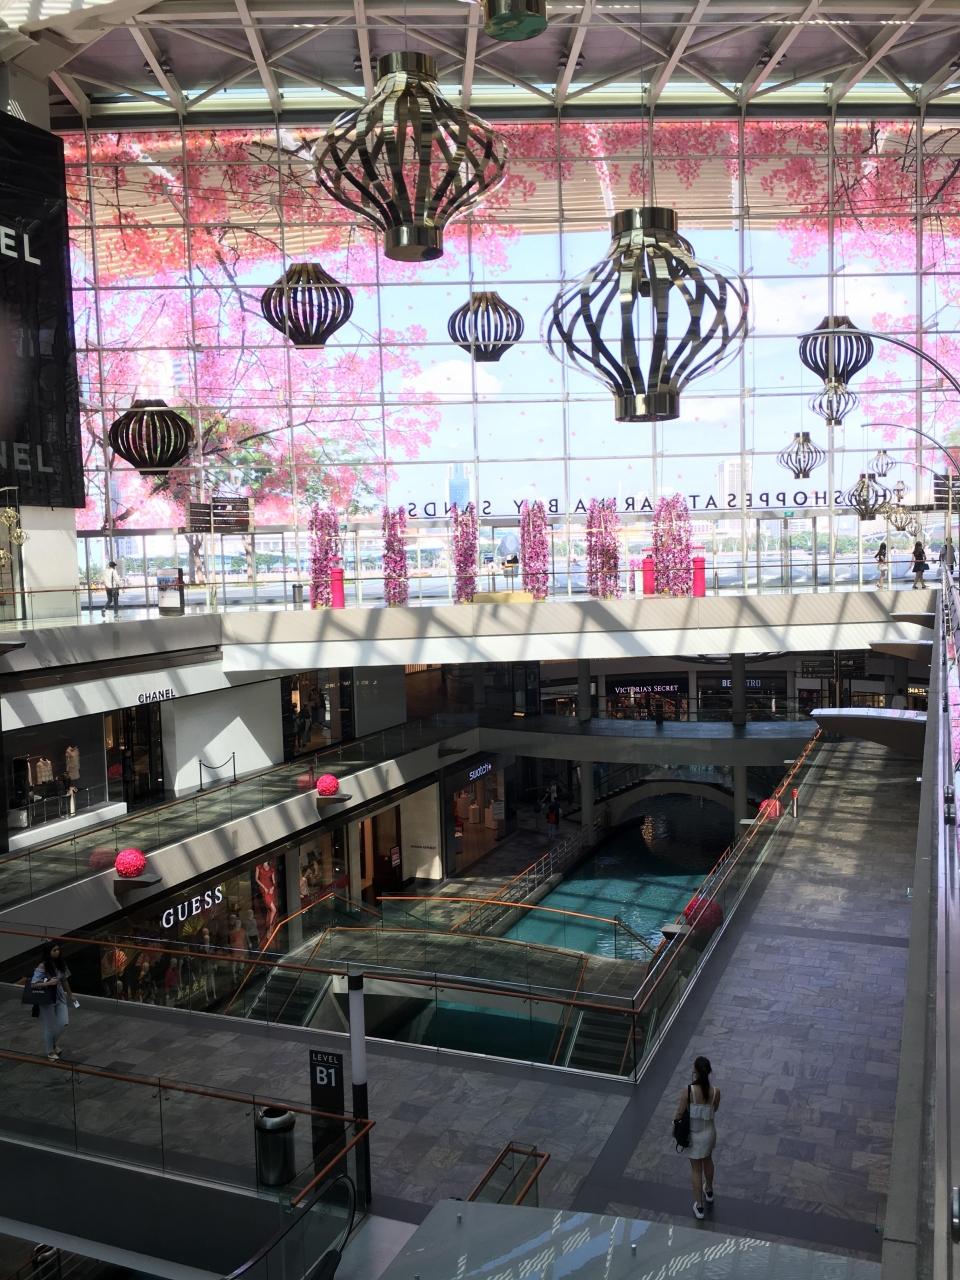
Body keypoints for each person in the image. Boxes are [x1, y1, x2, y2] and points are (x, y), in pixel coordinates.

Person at [673, 1054, 720, 1219]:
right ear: (709, 1071)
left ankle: (699, 1206)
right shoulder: (716, 1092)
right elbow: (715, 1109)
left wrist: (677, 1123)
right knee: (708, 1160)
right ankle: (709, 1191)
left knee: (696, 1169)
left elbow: (679, 1113)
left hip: (694, 1135)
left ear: (695, 1071)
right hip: (709, 1133)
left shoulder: (688, 1091)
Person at [31, 941, 78, 1061]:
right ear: (48, 952)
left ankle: (52, 1044)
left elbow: (64, 980)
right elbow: (33, 984)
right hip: (47, 998)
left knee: (63, 1022)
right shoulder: (42, 966)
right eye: (54, 950)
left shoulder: (60, 963)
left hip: (60, 996)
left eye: (58, 949)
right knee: (50, 1026)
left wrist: (70, 995)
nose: (57, 952)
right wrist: (48, 983)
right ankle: (50, 1051)